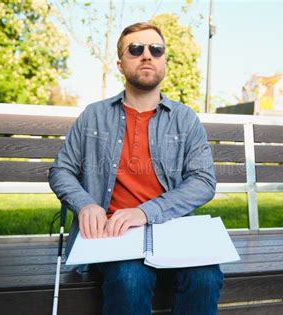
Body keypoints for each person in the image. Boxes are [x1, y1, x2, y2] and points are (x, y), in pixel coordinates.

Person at [48, 22, 223, 315]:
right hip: (113, 233)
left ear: (164, 59)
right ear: (120, 64)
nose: (146, 56)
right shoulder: (94, 115)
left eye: (155, 49)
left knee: (205, 277)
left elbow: (204, 181)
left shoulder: (185, 119)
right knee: (130, 279)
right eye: (135, 49)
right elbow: (60, 170)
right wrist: (86, 204)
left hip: (172, 228)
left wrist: (145, 212)